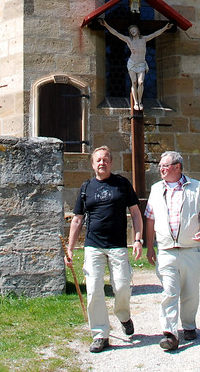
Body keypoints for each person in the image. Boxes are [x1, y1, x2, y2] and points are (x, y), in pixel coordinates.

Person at [64, 146, 145, 353]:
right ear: (92, 164)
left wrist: (138, 239)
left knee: (122, 287)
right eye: (98, 160)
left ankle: (123, 315)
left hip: (117, 246)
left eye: (106, 159)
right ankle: (100, 334)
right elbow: (77, 220)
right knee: (93, 291)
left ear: (111, 163)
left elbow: (135, 213)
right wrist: (70, 248)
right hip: (93, 246)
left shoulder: (122, 184)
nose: (102, 163)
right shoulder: (86, 187)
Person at [144, 150, 200, 351]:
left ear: (177, 167)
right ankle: (169, 333)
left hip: (191, 249)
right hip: (166, 250)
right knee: (169, 292)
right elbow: (150, 218)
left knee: (191, 292)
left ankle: (189, 325)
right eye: (160, 166)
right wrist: (151, 246)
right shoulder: (156, 189)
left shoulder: (196, 187)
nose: (161, 170)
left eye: (164, 166)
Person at [100, 19, 172, 111]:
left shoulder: (144, 39)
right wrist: (106, 25)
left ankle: (140, 101)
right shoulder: (128, 40)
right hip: (132, 63)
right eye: (131, 31)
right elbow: (116, 33)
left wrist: (165, 28)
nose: (132, 32)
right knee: (134, 82)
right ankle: (136, 102)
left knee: (140, 82)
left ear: (138, 30)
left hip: (141, 64)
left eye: (134, 30)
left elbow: (155, 34)